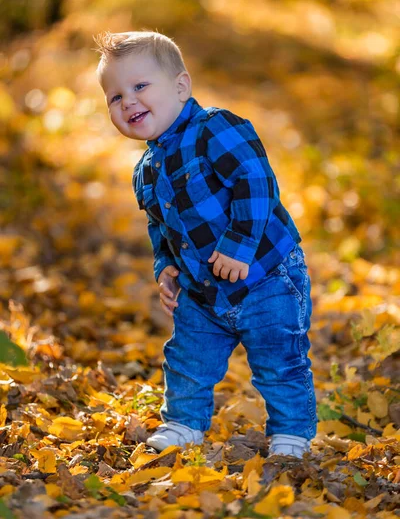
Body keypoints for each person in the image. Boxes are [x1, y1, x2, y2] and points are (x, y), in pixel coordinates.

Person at [94, 30, 318, 459]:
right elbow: (160, 229)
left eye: (140, 86)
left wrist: (238, 245)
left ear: (180, 86)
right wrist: (166, 267)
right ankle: (183, 424)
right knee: (187, 359)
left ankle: (292, 434)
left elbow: (256, 182)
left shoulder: (216, 128)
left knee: (278, 360)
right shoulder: (146, 171)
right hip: (202, 289)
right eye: (115, 97)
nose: (128, 102)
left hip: (266, 276)